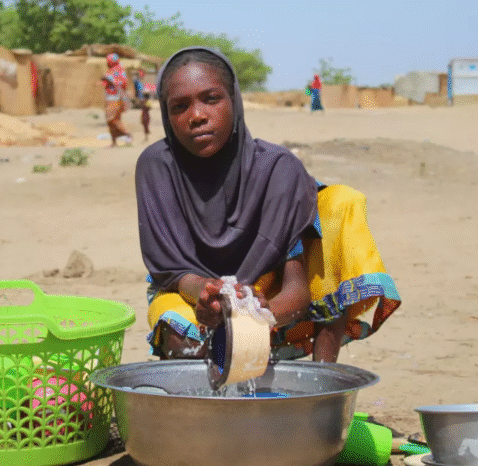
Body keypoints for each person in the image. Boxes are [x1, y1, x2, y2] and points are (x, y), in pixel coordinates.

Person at [135, 47, 400, 363]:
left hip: (272, 303)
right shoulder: (157, 167)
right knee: (182, 339)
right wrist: (208, 293)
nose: (197, 116)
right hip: (193, 299)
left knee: (340, 202)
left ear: (234, 100)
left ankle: (321, 384)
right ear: (166, 115)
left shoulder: (277, 170)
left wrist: (254, 314)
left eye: (211, 99)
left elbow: (297, 290)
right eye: (180, 106)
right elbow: (173, 272)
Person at [101, 53, 132, 147]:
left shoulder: (119, 70)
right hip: (110, 97)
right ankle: (114, 142)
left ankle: (127, 134)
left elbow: (122, 83)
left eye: (109, 61)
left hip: (116, 97)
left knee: (112, 119)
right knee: (111, 121)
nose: (107, 63)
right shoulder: (110, 70)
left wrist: (109, 81)